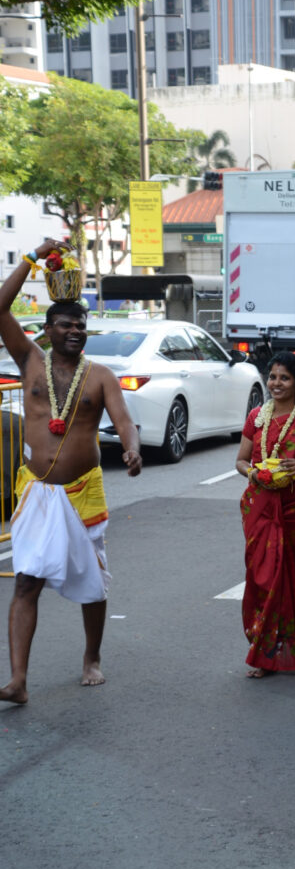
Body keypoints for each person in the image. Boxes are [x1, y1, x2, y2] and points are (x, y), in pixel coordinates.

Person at [0, 241, 142, 706]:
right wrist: (33, 259)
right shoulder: (29, 362)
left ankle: (92, 657)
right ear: (49, 329)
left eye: (82, 324)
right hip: (37, 493)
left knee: (92, 583)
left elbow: (122, 419)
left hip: (83, 492)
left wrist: (132, 448)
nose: (76, 330)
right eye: (67, 324)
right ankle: (18, 681)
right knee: (25, 581)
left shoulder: (100, 374)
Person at [235, 351, 295, 677]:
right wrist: (254, 475)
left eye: (285, 378)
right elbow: (241, 461)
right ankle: (267, 653)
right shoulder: (256, 418)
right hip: (262, 510)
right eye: (273, 377)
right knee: (265, 580)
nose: (276, 383)